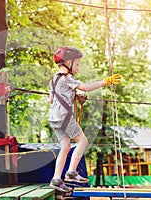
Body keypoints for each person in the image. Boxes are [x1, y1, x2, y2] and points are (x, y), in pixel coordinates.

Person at [48, 46, 121, 192]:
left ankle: (56, 179)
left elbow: (51, 99)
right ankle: (71, 172)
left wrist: (73, 95)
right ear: (68, 62)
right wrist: (105, 82)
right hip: (65, 117)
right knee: (83, 141)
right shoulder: (68, 78)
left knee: (66, 146)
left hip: (54, 118)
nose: (78, 67)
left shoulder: (54, 79)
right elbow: (85, 87)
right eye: (77, 64)